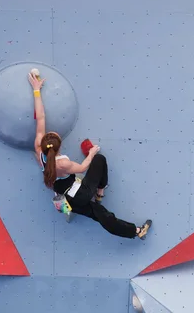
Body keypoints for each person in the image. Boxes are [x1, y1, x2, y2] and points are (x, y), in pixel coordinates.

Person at [28, 72, 152, 240]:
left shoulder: (38, 148)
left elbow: (40, 117)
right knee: (99, 161)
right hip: (81, 193)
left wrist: (36, 91)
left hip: (65, 194)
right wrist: (92, 153)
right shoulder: (63, 163)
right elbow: (83, 167)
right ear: (58, 148)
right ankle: (100, 192)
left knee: (99, 214)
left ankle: (136, 231)